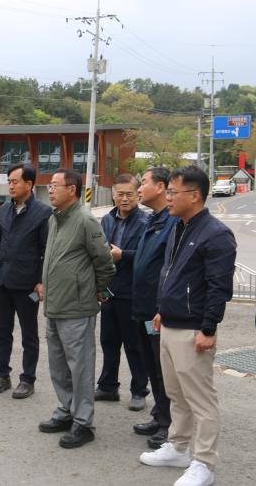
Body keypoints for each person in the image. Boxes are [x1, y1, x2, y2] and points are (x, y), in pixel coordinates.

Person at [139, 165, 236, 486]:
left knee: (201, 400)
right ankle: (178, 446)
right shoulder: (178, 226)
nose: (167, 198)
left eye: (172, 192)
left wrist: (208, 329)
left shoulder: (216, 234)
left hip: (194, 330)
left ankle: (204, 463)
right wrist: (161, 310)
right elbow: (171, 274)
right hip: (169, 323)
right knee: (175, 394)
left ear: (194, 196)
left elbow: (218, 287)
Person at [37, 169, 115, 449]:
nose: (50, 189)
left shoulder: (84, 219)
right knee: (58, 366)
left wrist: (97, 288)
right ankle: (66, 410)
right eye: (49, 185)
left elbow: (104, 261)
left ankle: (83, 422)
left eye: (55, 185)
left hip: (77, 307)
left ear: (72, 189)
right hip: (55, 305)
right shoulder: (54, 219)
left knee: (80, 368)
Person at [0, 163, 51, 399]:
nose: (10, 186)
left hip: (28, 285)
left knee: (29, 333)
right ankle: (2, 375)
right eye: (9, 181)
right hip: (2, 281)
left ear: (29, 184)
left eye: (15, 181)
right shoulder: (3, 210)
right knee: (3, 332)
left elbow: (46, 250)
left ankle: (27, 379)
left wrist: (42, 281)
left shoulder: (43, 213)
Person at [131, 167, 177, 449]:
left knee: (164, 370)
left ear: (161, 187)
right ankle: (159, 414)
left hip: (157, 311)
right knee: (150, 365)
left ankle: (170, 424)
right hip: (142, 308)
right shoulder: (153, 219)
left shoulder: (171, 221)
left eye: (143, 183)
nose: (139, 188)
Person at [96, 174, 150, 410]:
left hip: (132, 292)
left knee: (134, 344)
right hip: (109, 291)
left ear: (138, 194)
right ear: (113, 194)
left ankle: (139, 390)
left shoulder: (146, 222)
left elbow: (150, 257)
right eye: (120, 194)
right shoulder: (107, 220)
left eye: (129, 193)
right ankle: (108, 386)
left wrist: (123, 255)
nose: (124, 198)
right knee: (108, 341)